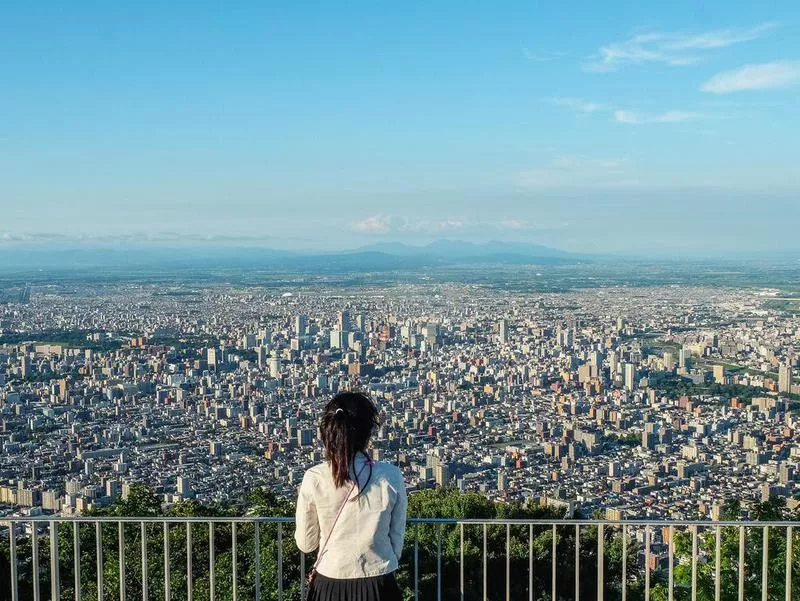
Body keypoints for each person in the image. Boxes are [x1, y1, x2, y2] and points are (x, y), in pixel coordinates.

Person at [295, 391, 408, 601]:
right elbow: (396, 539)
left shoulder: (314, 477)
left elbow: (306, 543)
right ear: (367, 432)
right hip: (379, 583)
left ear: (328, 432)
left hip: (329, 582)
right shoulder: (391, 476)